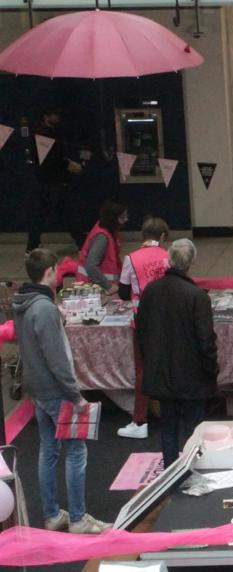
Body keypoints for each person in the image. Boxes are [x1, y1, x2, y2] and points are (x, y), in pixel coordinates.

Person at [13, 249, 111, 534]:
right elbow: (56, 358)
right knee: (76, 451)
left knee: (48, 450)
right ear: (49, 271)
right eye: (57, 270)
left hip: (38, 389)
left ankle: (52, 514)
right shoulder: (43, 308)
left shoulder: (25, 303)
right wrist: (75, 395)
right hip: (56, 391)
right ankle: (79, 519)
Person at [136, 239, 218, 467]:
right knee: (194, 430)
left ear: (169, 260)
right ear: (191, 262)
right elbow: (206, 339)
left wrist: (150, 361)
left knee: (168, 427)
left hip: (161, 373)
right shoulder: (197, 296)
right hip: (192, 376)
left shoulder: (151, 291)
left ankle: (171, 472)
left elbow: (141, 330)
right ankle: (194, 468)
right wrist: (212, 370)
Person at [116, 216, 170, 439]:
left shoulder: (131, 258)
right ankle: (172, 414)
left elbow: (122, 292)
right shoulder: (168, 256)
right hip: (168, 320)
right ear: (163, 236)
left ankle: (140, 421)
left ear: (142, 235)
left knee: (142, 371)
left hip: (142, 323)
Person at [27, 107, 85, 253]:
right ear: (46, 116)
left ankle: (33, 245)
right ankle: (32, 245)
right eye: (55, 115)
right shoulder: (43, 134)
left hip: (53, 180)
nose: (58, 118)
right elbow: (51, 158)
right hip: (50, 181)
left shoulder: (50, 133)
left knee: (61, 212)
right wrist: (69, 165)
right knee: (55, 212)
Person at [75, 199, 127, 291]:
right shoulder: (101, 237)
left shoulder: (108, 232)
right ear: (113, 219)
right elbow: (91, 266)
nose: (126, 219)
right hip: (93, 290)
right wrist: (109, 286)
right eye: (122, 217)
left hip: (99, 289)